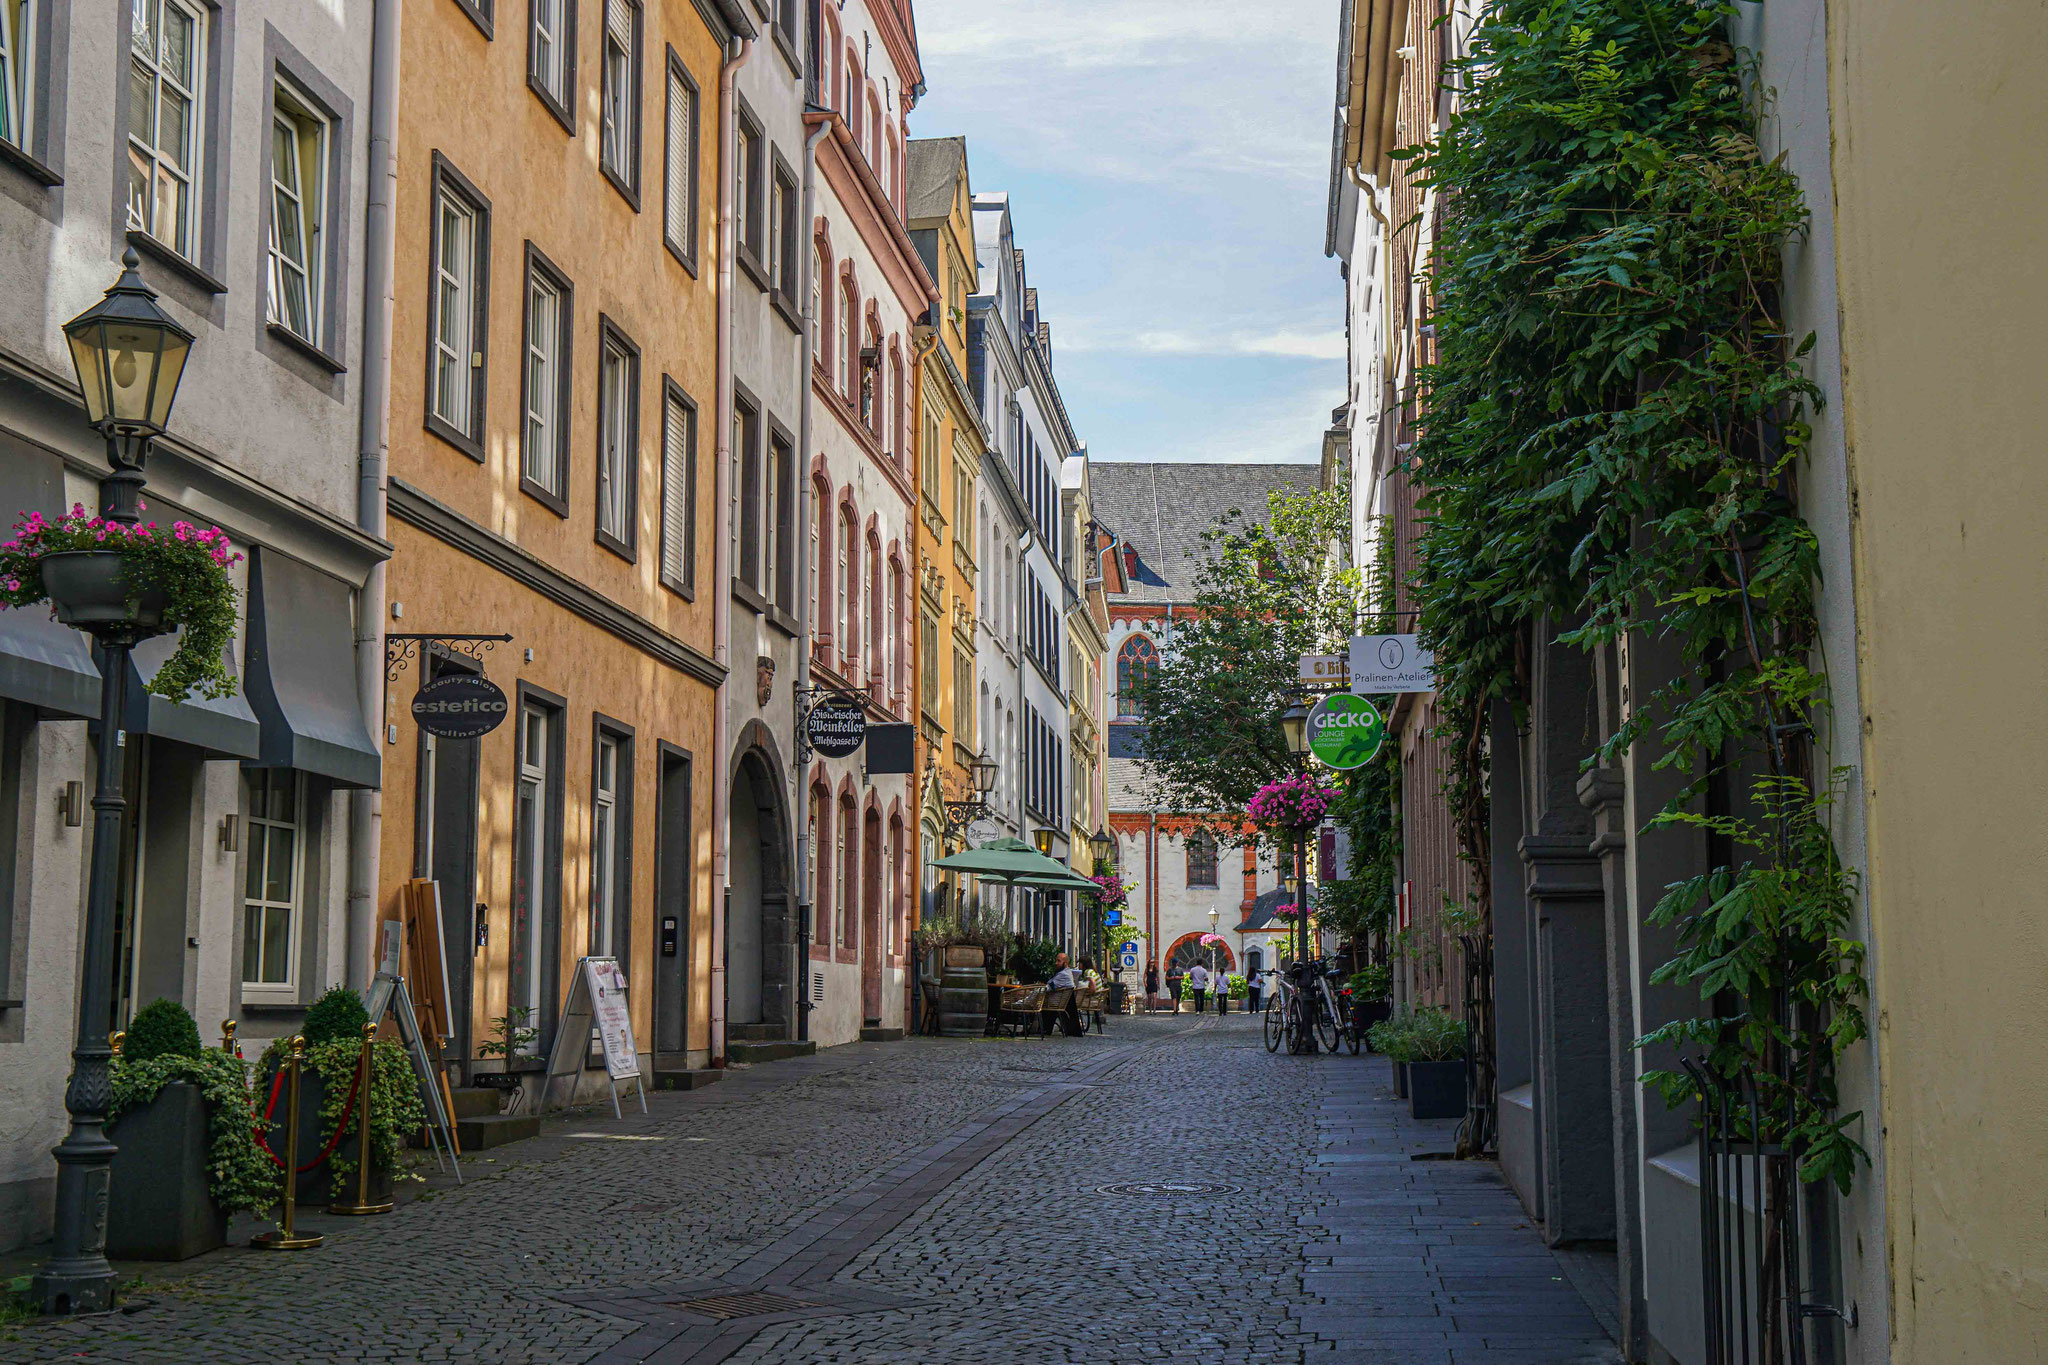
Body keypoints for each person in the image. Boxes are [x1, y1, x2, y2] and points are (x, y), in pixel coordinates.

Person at [1042, 952, 1085, 1037]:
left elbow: (1050, 986)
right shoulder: (1065, 972)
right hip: (1058, 1001)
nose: (1056, 963)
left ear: (1065, 963)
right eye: (1056, 960)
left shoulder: (1063, 974)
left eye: (1059, 961)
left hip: (1053, 1002)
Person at [1081, 956, 1106, 1033]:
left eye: (1080, 963)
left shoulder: (1087, 972)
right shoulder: (1094, 971)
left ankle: (1079, 1024)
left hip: (1092, 1000)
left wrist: (1086, 993)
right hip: (1098, 999)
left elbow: (1093, 987)